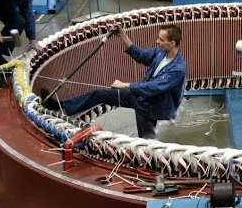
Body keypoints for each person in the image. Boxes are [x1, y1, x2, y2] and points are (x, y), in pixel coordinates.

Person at [41, 24, 186, 140]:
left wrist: (125, 85)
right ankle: (61, 106)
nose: (157, 41)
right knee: (99, 94)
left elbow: (154, 87)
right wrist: (122, 35)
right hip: (140, 97)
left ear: (172, 43)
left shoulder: (177, 69)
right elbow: (141, 56)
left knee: (146, 141)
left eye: (161, 39)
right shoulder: (160, 52)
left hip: (153, 108)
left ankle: (150, 164)